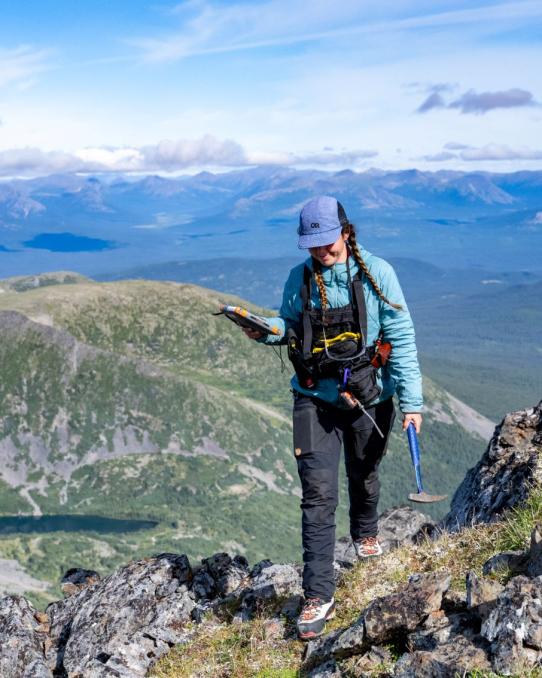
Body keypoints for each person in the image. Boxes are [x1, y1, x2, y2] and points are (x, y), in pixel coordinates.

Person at [242, 195, 423, 640]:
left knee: (364, 470)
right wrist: (266, 330)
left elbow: (400, 334)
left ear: (345, 232)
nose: (321, 252)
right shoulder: (298, 279)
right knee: (317, 496)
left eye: (327, 243)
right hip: (312, 397)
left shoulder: (376, 273)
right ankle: (318, 595)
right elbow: (289, 325)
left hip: (370, 395)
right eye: (312, 245)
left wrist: (413, 403)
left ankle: (365, 531)